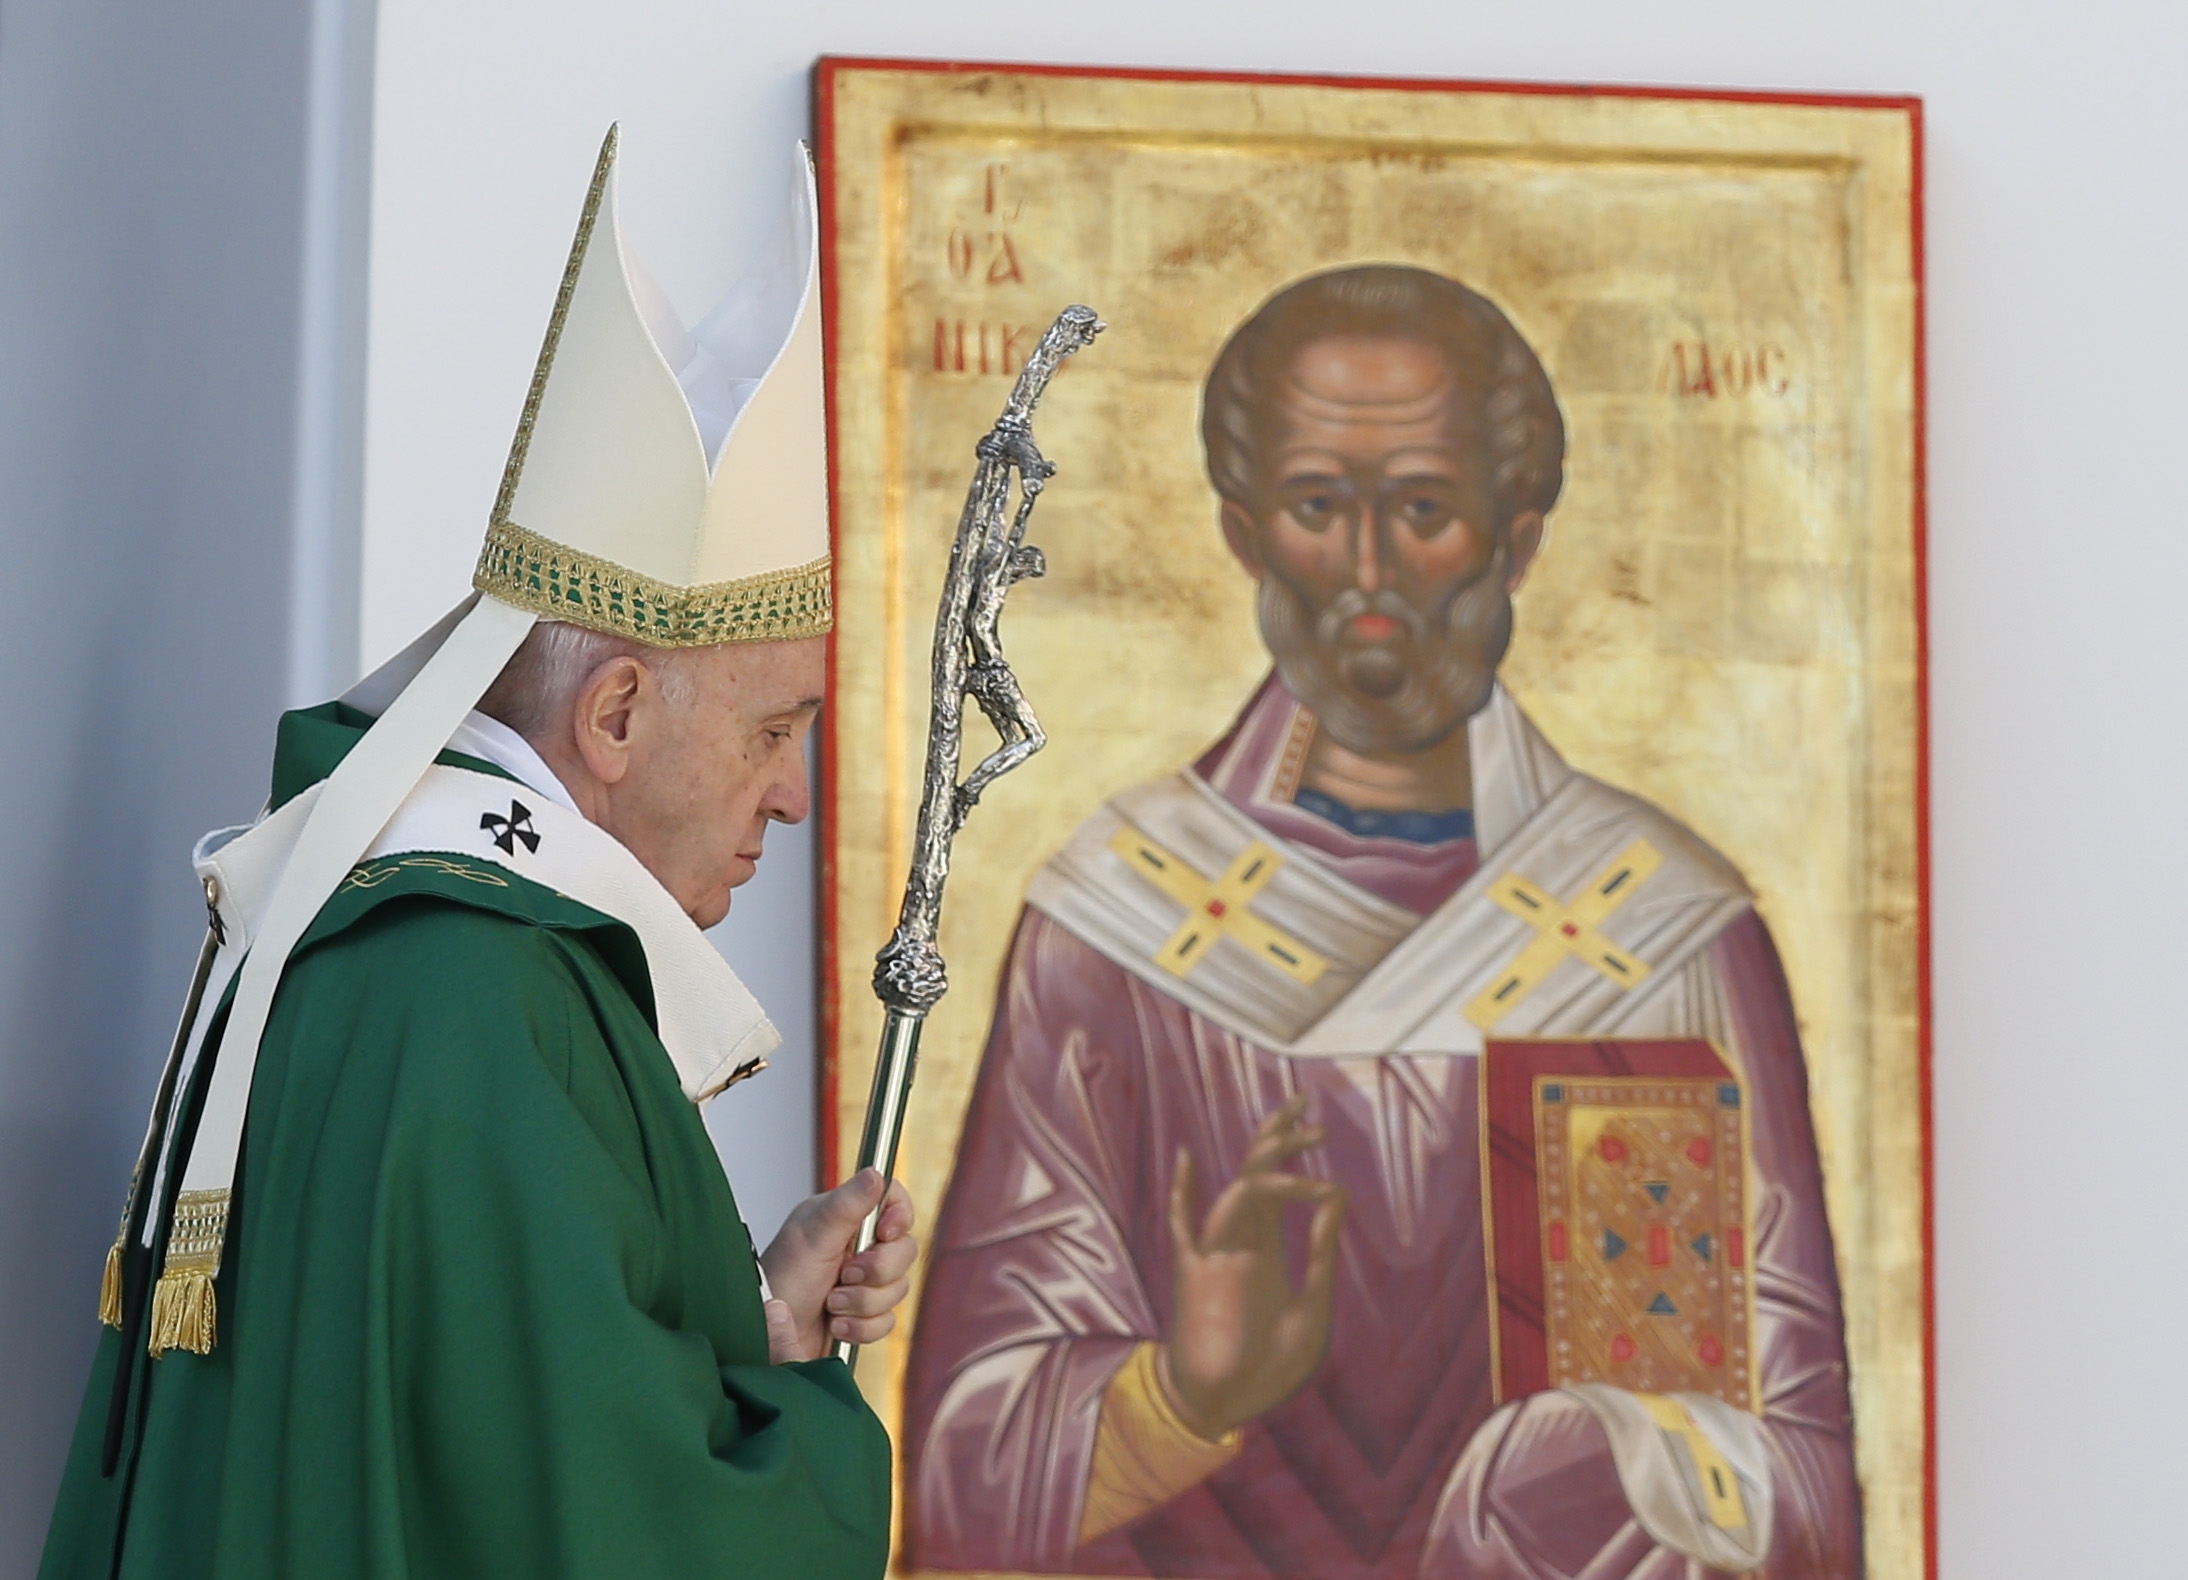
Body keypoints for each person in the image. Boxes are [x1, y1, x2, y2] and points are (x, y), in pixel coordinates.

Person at [39, 129, 912, 1580]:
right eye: (775, 733)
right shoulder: (475, 996)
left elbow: (452, 1425)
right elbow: (603, 1522)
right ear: (618, 711)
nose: (796, 796)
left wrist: (757, 1315)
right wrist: (819, 1442)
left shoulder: (408, 936)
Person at [901, 266, 1862, 1578]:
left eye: (1422, 511)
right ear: (1244, 535)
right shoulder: (1116, 921)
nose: (1366, 573)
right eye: (1315, 507)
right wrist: (1181, 1393)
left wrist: (1610, 1464)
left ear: (1517, 538)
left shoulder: (1664, 932)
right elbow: (959, 1471)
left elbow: (1804, 1478)